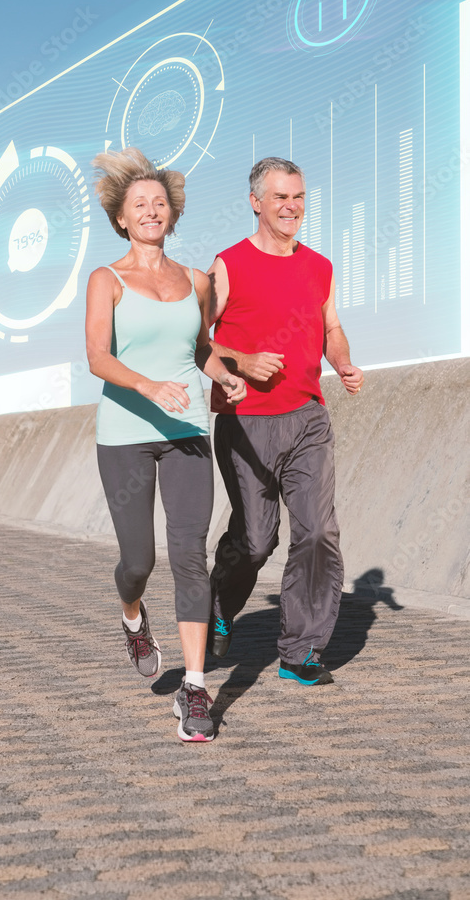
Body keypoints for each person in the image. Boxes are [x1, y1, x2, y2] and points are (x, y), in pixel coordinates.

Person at [86, 147, 246, 741]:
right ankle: (132, 617)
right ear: (122, 218)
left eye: (160, 203)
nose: (151, 211)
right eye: (139, 205)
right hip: (126, 436)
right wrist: (149, 386)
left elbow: (199, 346)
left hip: (185, 435)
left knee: (188, 555)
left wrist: (222, 373)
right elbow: (98, 356)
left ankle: (195, 689)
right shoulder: (107, 279)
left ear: (171, 214)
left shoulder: (195, 280)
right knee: (138, 561)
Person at [206, 156, 364, 685]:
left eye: (298, 197)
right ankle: (219, 605)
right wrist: (243, 362)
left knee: (318, 531)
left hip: (307, 418)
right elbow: (196, 339)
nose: (291, 207)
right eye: (280, 197)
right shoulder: (227, 264)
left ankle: (302, 649)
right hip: (245, 420)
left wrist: (340, 361)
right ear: (256, 202)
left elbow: (332, 326)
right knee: (255, 541)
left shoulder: (319, 266)